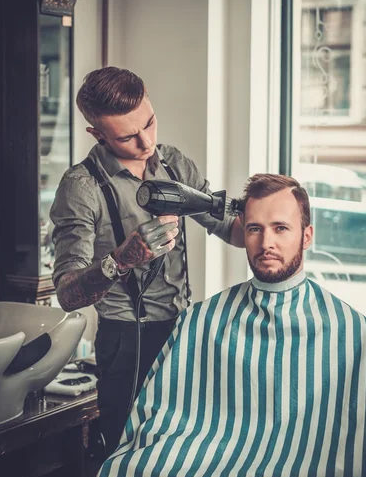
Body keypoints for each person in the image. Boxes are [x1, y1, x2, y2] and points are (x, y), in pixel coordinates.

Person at [81, 173, 366, 477]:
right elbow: (152, 423)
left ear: (307, 235)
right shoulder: (203, 319)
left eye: (281, 228)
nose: (266, 242)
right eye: (255, 229)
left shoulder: (348, 330)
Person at [50, 67, 244, 457]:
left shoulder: (174, 164)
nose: (146, 142)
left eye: (150, 123)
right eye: (127, 136)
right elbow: (68, 294)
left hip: (182, 333)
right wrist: (120, 260)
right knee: (130, 455)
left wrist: (272, 221)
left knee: (185, 452)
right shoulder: (81, 188)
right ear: (97, 134)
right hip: (125, 340)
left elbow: (231, 229)